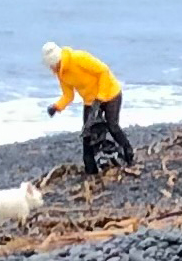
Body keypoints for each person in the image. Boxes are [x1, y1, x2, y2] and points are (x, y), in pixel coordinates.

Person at [44, 44, 135, 177]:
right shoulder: (61, 74)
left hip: (110, 94)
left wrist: (101, 97)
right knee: (87, 134)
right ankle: (90, 170)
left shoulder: (78, 58)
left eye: (52, 65)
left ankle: (128, 155)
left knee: (112, 125)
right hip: (90, 101)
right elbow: (68, 95)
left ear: (57, 61)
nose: (51, 68)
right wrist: (56, 107)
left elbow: (103, 71)